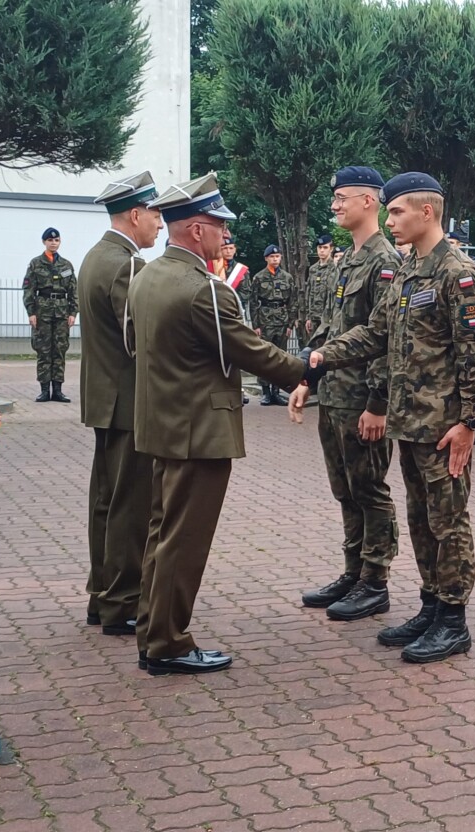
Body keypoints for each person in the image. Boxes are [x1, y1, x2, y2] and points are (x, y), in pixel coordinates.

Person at [295, 171, 475, 664]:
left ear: (427, 211)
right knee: (421, 518)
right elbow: (375, 333)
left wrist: (469, 424)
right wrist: (320, 357)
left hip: (444, 426)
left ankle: (454, 619)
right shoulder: (409, 271)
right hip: (412, 422)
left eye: (398, 211)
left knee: (448, 521)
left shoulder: (458, 273)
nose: (390, 220)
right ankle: (431, 605)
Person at [132, 173, 310, 675]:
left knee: (162, 534)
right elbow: (249, 350)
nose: (225, 236)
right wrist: (305, 369)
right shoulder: (205, 290)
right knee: (184, 541)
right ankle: (168, 644)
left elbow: (134, 345)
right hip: (199, 430)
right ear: (196, 230)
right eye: (219, 226)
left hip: (162, 424)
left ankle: (153, 630)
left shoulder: (146, 276)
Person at [297, 166, 403, 623]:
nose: (335, 205)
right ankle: (353, 571)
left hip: (362, 399)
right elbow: (330, 328)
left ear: (369, 201)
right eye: (334, 198)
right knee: (345, 489)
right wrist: (307, 378)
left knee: (369, 489)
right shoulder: (347, 260)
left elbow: (386, 339)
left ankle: (375, 581)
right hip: (335, 394)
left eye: (343, 198)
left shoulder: (386, 261)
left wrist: (378, 403)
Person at [77, 171, 162, 635]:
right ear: (134, 214)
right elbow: (138, 340)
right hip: (128, 403)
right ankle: (123, 603)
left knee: (106, 504)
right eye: (155, 215)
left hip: (104, 400)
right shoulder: (128, 265)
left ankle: (102, 594)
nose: (160, 224)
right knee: (130, 508)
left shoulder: (96, 256)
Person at [24, 227, 79, 403]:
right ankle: (44, 390)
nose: (53, 243)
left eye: (56, 240)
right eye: (50, 240)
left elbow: (73, 290)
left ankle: (58, 390)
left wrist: (73, 312)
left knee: (60, 350)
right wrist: (31, 312)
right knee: (44, 351)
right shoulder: (36, 264)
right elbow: (29, 289)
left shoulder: (66, 265)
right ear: (44, 242)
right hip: (43, 312)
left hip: (62, 313)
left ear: (59, 242)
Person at [248, 246, 296, 406]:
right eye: (272, 256)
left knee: (280, 357)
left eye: (277, 256)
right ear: (266, 258)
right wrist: (256, 325)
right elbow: (253, 302)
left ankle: (276, 391)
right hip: (265, 320)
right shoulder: (259, 277)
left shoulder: (287, 277)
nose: (275, 259)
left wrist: (290, 324)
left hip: (282, 320)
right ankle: (266, 392)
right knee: (264, 356)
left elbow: (292, 302)